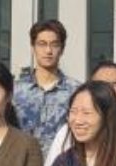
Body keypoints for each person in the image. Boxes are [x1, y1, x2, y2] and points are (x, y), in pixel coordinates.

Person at [12, 20, 79, 153]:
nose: (48, 51)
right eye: (42, 44)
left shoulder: (76, 91)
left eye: (54, 45)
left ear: (62, 49)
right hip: (22, 160)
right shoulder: (15, 90)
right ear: (33, 47)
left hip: (61, 161)